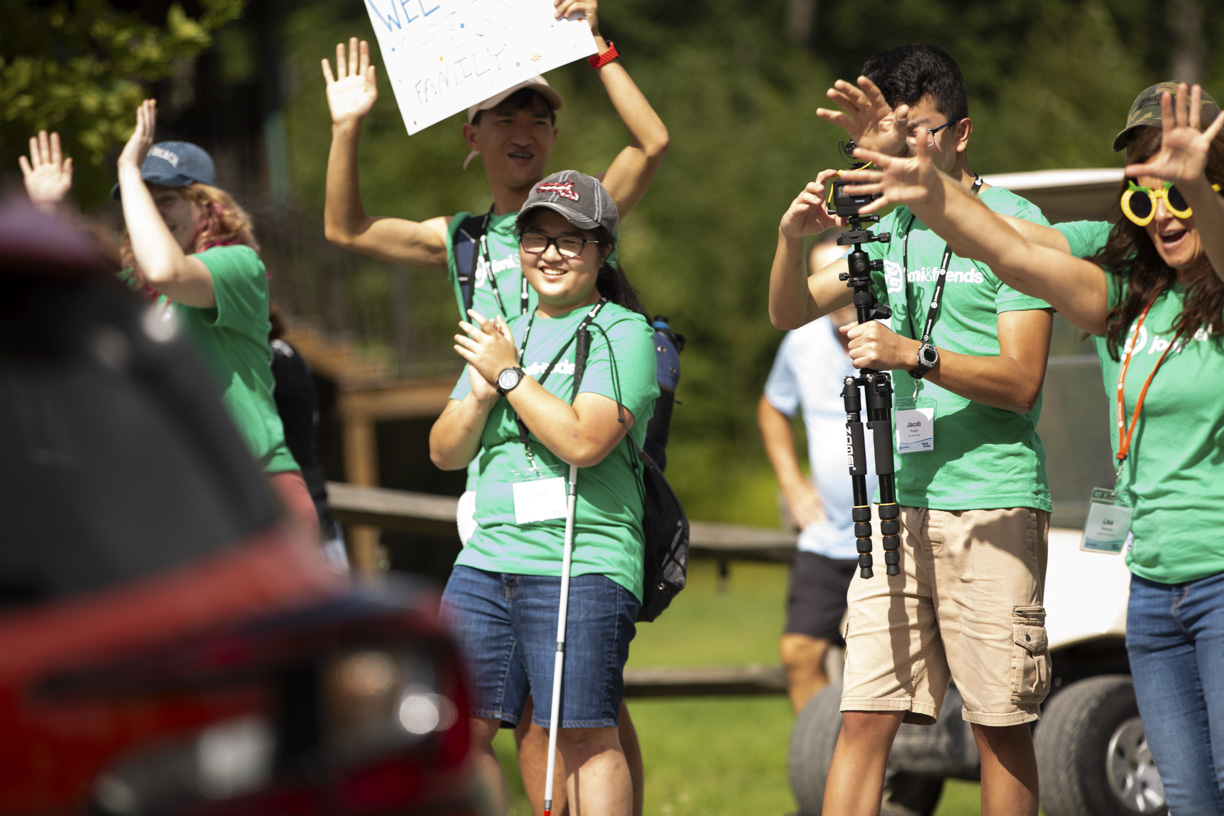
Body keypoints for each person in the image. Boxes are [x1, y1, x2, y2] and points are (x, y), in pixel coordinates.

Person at [840, 80, 1224, 816]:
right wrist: (928, 186)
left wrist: (1197, 189)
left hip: (1220, 580)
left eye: (1182, 192)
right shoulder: (1126, 287)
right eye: (1146, 197)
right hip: (1155, 584)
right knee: (1190, 800)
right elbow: (1013, 251)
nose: (1164, 215)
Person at [320, 4, 665, 810]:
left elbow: (652, 144)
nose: (526, 125)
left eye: (540, 113)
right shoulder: (464, 239)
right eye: (505, 111)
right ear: (469, 134)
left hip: (584, 473)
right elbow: (345, 227)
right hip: (494, 499)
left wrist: (597, 48)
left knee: (585, 716)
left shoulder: (581, 210)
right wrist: (347, 127)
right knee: (505, 721)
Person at [768, 44, 1054, 816]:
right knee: (862, 714)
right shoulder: (885, 226)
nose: (908, 146)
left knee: (1000, 725)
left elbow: (1021, 381)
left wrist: (912, 353)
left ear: (961, 133)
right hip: (894, 510)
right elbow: (790, 311)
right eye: (898, 130)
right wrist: (792, 240)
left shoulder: (1017, 224)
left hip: (991, 504)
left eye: (921, 130)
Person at [429, 171, 656, 816]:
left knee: (585, 731)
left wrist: (506, 375)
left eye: (572, 240)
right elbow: (444, 453)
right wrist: (477, 397)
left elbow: (584, 441)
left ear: (603, 251)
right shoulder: (503, 330)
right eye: (538, 238)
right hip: (486, 558)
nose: (552, 253)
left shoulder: (623, 332)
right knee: (454, 733)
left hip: (582, 559)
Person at [20, 104, 317, 538]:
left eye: (168, 200)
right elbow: (56, 311)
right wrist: (48, 213)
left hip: (254, 494)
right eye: (145, 201)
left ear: (207, 208)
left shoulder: (238, 265)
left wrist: (128, 167)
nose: (155, 213)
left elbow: (168, 272)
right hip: (174, 500)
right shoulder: (129, 291)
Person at [759, 236, 876, 716]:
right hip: (828, 536)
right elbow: (772, 407)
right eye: (819, 280)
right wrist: (790, 481)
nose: (831, 291)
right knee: (799, 653)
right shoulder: (800, 341)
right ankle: (821, 763)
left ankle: (891, 774)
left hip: (897, 533)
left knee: (877, 665)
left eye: (841, 276)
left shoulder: (900, 331)